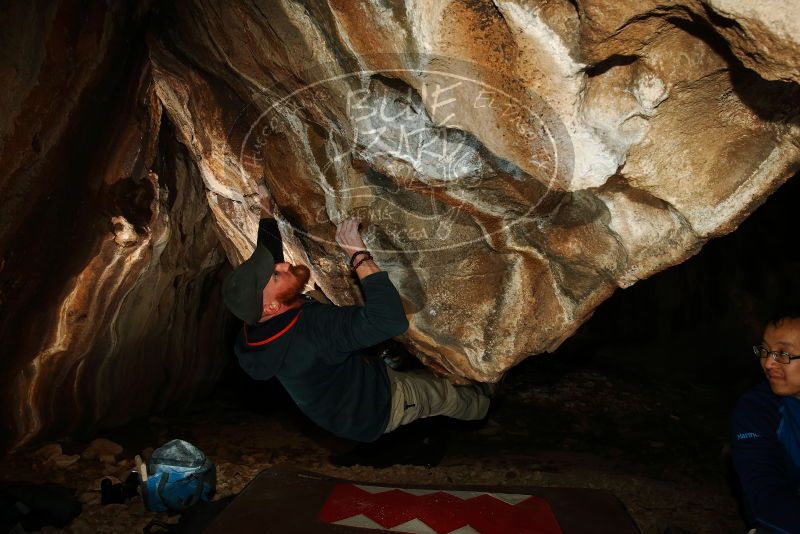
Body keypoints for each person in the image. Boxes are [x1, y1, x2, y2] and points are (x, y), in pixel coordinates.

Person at [221, 187, 491, 443]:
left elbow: (269, 257)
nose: (282, 264)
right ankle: (486, 403)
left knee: (325, 306)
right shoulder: (312, 332)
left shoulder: (255, 329)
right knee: (443, 396)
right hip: (373, 409)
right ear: (272, 307)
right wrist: (357, 254)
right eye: (276, 274)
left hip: (338, 399)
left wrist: (266, 209)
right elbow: (389, 320)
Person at [731, 309, 800, 533]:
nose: (769, 364)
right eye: (765, 350)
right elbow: (762, 493)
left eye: (783, 353)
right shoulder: (758, 409)